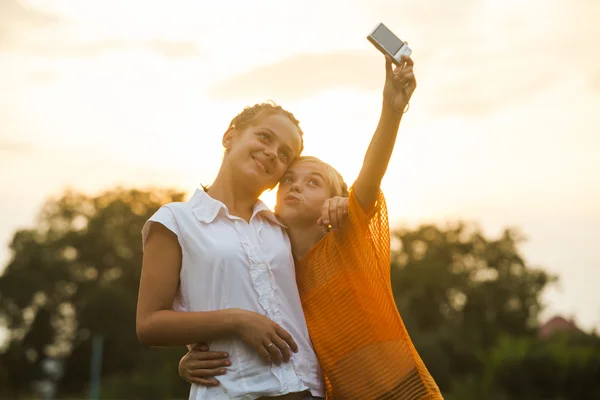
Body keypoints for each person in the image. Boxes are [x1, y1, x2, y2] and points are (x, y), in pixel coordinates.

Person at [179, 55, 444, 399]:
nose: (297, 186)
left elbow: (372, 172)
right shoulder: (274, 262)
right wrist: (188, 358)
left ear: (336, 200)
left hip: (400, 388)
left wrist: (391, 108)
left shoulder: (347, 239)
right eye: (288, 179)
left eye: (313, 182)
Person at [136, 100, 328, 399]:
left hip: (307, 391)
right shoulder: (176, 220)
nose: (271, 153)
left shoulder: (283, 227)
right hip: (231, 392)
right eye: (265, 137)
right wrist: (235, 321)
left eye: (284, 155)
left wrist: (341, 204)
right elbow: (149, 325)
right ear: (230, 136)